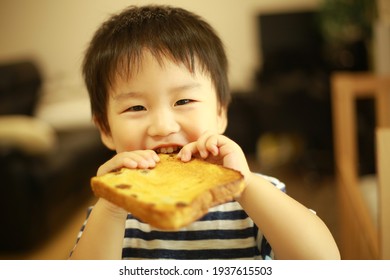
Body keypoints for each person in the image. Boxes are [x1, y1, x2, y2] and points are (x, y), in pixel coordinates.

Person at [69, 4, 340, 260]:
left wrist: (243, 183)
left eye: (184, 101)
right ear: (105, 129)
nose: (163, 127)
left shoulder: (258, 197)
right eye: (136, 107)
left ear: (220, 113)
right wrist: (112, 204)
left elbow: (324, 262)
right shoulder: (108, 216)